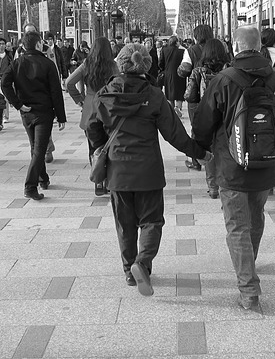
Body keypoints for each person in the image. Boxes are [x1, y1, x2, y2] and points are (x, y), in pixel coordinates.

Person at [86, 44, 212, 295]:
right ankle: (142, 263)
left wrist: (101, 146)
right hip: (148, 171)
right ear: (146, 65)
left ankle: (128, 271)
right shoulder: (154, 96)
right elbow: (175, 134)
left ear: (120, 64)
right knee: (152, 221)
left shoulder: (103, 94)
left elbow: (91, 127)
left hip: (117, 172)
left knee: (125, 223)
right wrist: (200, 153)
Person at [192, 26, 275, 312]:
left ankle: (249, 290)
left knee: (237, 226)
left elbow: (203, 123)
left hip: (231, 166)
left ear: (236, 47)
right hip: (266, 167)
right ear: (259, 47)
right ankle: (248, 265)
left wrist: (200, 152)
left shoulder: (224, 80)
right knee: (256, 216)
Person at [2, 31, 66, 200]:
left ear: (23, 46)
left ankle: (43, 178)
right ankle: (30, 186)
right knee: (39, 149)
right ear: (39, 44)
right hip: (43, 112)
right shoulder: (47, 64)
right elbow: (56, 92)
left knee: (35, 147)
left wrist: (18, 104)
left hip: (26, 112)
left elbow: (4, 84)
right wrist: (61, 116)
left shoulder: (17, 63)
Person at [66, 38, 119, 196]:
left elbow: (69, 82)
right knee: (109, 146)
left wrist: (79, 99)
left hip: (90, 108)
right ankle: (109, 181)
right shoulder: (113, 66)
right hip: (109, 108)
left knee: (93, 147)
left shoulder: (86, 64)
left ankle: (98, 181)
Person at [184, 38, 231, 198]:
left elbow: (189, 96)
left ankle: (212, 188)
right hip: (226, 114)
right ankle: (225, 184)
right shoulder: (230, 69)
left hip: (205, 114)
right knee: (225, 149)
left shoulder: (198, 71)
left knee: (209, 149)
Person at [177, 24, 214, 171]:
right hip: (219, 93)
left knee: (196, 129)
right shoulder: (219, 47)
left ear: (196, 36)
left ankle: (196, 160)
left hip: (197, 96)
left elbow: (183, 71)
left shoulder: (191, 51)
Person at [159, 35, 187, 116]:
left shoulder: (164, 50)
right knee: (180, 91)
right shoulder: (182, 51)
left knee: (170, 92)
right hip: (180, 73)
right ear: (177, 42)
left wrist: (163, 69)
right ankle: (178, 107)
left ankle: (172, 108)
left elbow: (160, 62)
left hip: (168, 73)